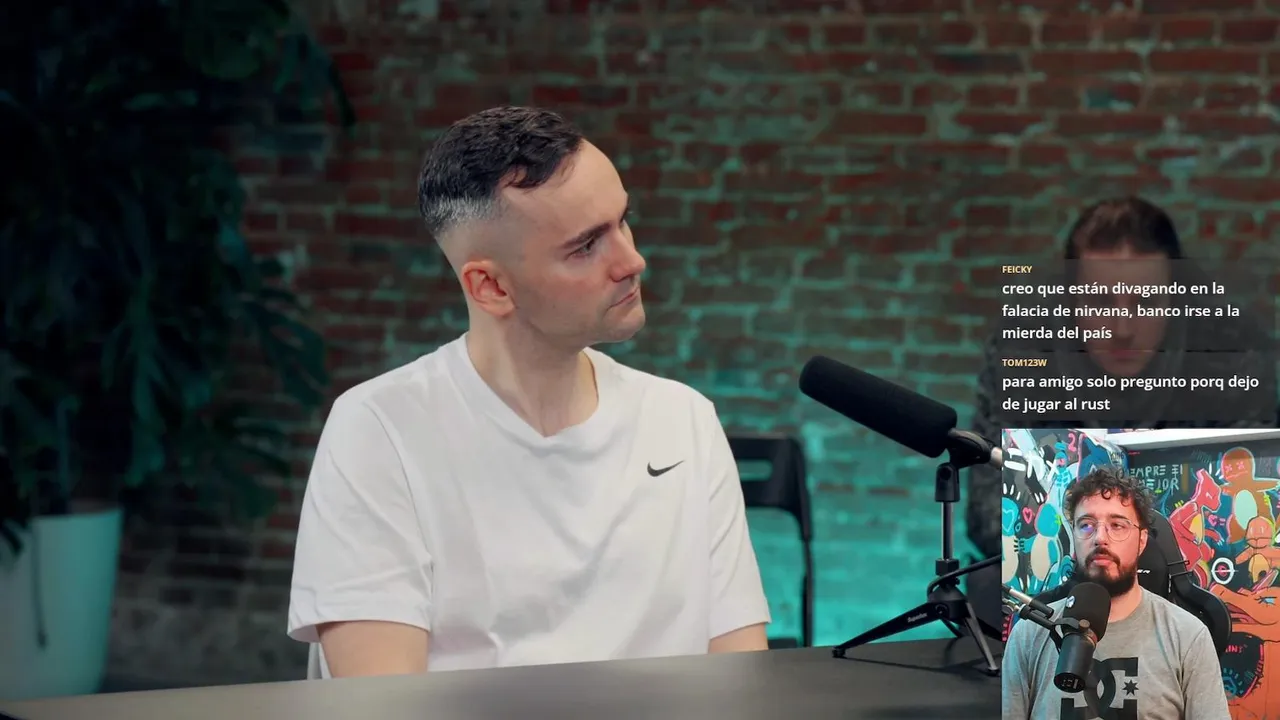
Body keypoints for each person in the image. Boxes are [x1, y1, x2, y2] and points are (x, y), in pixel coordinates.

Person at [286, 106, 771, 676]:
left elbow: (741, 680)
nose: (632, 260)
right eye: (586, 246)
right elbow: (382, 703)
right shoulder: (379, 431)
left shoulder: (683, 419)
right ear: (490, 286)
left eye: (623, 222)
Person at [967, 196, 1278, 562]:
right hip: (1059, 567)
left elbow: (1254, 509)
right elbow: (991, 512)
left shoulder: (1231, 351)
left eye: (1145, 303)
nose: (1123, 329)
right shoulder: (1023, 353)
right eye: (1100, 303)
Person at [1001, 466, 1231, 719]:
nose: (1100, 537)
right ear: (1074, 536)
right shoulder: (1029, 635)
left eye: (1117, 525)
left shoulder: (1188, 636)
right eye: (1086, 525)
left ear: (1142, 541)